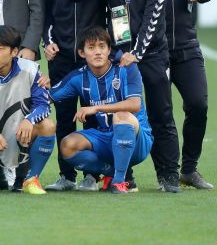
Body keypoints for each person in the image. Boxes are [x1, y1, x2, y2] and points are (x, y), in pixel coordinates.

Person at [67, 0, 179, 192]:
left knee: (161, 112)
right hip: (117, 56)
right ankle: (124, 174)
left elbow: (153, 19)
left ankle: (168, 175)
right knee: (118, 115)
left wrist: (136, 54)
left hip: (151, 55)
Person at [145, 0, 214, 189]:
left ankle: (189, 168)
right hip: (152, 48)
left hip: (186, 44)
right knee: (161, 113)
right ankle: (167, 174)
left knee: (198, 104)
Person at [40, 0, 111, 191]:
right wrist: (47, 42)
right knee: (65, 115)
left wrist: (109, 49)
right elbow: (44, 13)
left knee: (94, 116)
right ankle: (66, 176)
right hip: (61, 56)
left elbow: (110, 10)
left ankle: (92, 175)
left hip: (94, 58)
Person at [50, 27, 154, 194]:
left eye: (102, 47)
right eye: (91, 48)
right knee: (67, 145)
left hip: (138, 138)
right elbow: (50, 96)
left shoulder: (126, 68)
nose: (97, 52)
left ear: (109, 50)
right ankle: (112, 173)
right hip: (106, 137)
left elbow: (134, 104)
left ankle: (119, 182)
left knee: (122, 116)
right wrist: (36, 83)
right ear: (82, 53)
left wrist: (96, 107)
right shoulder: (79, 77)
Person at [0, 25, 56, 195]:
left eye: (0, 48)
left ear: (14, 52)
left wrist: (29, 120)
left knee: (48, 125)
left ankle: (31, 179)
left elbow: (43, 105)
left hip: (22, 134)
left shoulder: (31, 69)